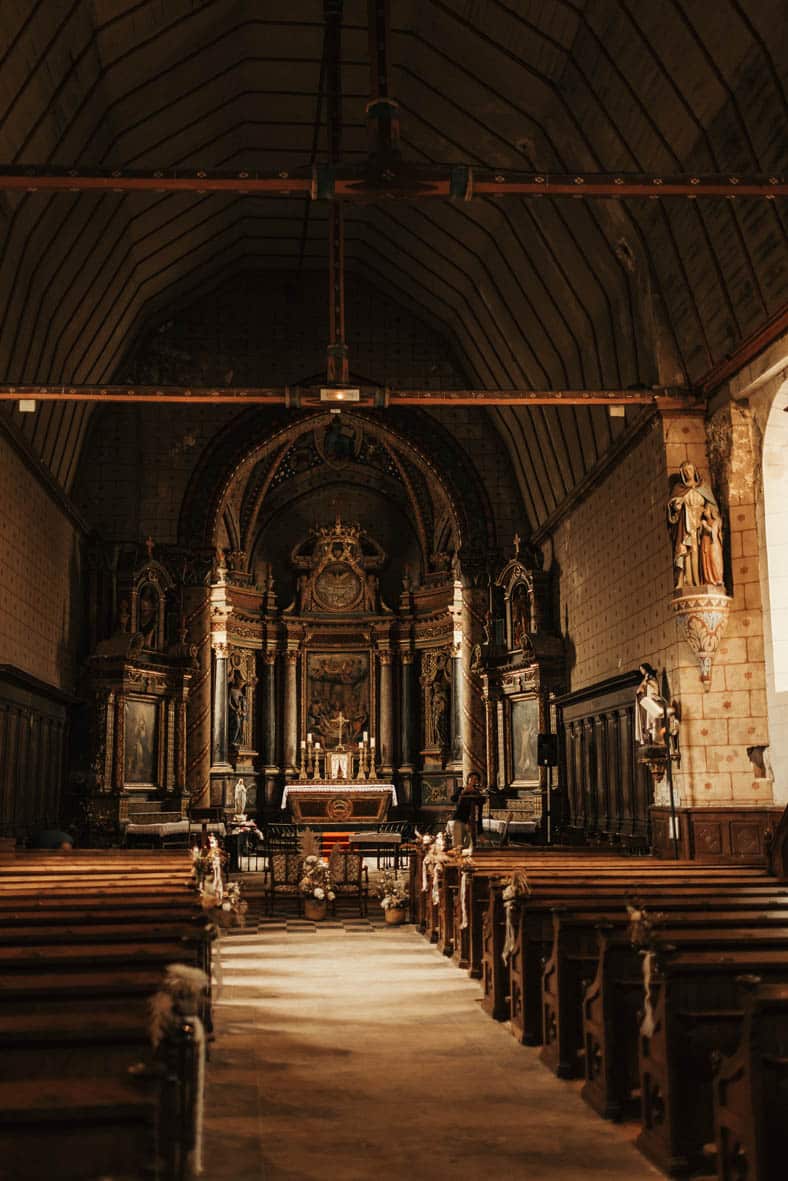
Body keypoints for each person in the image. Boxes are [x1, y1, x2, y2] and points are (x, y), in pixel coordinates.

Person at [667, 461, 720, 588]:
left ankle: (701, 580)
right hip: (686, 524)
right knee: (688, 551)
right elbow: (672, 507)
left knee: (702, 551)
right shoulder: (679, 489)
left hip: (701, 524)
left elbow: (712, 506)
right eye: (685, 471)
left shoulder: (703, 487)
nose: (688, 472)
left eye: (690, 469)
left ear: (694, 470)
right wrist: (676, 506)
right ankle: (688, 581)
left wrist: (708, 514)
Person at [450, 771, 485, 850]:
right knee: (457, 846)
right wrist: (463, 792)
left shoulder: (479, 794)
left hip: (472, 823)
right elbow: (453, 799)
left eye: (476, 779)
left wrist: (480, 831)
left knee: (470, 847)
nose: (473, 781)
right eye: (471, 779)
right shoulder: (460, 789)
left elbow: (479, 811)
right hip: (460, 820)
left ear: (478, 782)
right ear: (467, 780)